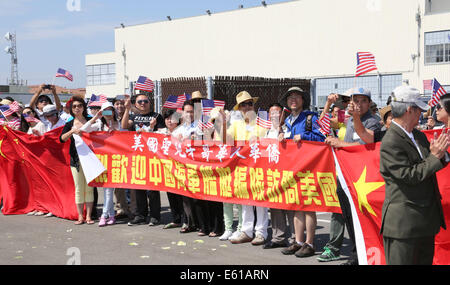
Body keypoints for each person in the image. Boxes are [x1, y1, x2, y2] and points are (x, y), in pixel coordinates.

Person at [380, 86, 450, 265]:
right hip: (404, 225)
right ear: (409, 110)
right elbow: (408, 176)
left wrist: (441, 154)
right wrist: (435, 157)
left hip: (424, 221)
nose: (422, 113)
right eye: (419, 109)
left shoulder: (417, 135)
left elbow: (431, 162)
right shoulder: (390, 141)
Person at [324, 87, 382, 265]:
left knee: (362, 217)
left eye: (362, 100)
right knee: (348, 216)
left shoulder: (372, 122)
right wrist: (328, 104)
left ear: (369, 103)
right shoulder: (347, 120)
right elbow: (324, 124)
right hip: (345, 175)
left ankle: (364, 254)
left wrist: (340, 143)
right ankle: (357, 253)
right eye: (354, 100)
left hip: (362, 179)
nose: (358, 103)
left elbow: (365, 146)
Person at [278, 87, 325, 258]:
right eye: (290, 97)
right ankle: (298, 241)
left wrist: (304, 136)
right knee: (296, 205)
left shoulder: (310, 118)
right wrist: (282, 137)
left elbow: (322, 138)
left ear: (302, 100)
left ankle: (310, 243)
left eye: (297, 97)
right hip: (293, 168)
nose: (293, 100)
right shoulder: (287, 121)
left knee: (309, 207)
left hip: (310, 167)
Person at [224, 91, 269, 244]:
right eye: (243, 104)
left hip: (260, 165)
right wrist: (223, 123)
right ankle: (247, 231)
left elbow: (270, 140)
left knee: (260, 201)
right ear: (239, 108)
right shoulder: (236, 124)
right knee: (245, 199)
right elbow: (227, 140)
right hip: (244, 167)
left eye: (250, 103)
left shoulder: (262, 122)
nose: (247, 106)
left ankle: (261, 232)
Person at [122, 93, 164, 226]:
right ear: (135, 104)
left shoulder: (157, 116)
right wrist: (127, 109)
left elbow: (163, 135)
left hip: (153, 157)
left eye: (145, 101)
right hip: (138, 156)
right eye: (140, 102)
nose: (143, 104)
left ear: (149, 102)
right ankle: (140, 215)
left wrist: (150, 129)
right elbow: (124, 126)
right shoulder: (133, 116)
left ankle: (155, 216)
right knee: (138, 188)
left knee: (152, 189)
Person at [82, 102, 124, 227]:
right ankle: (109, 214)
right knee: (106, 189)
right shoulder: (99, 124)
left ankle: (105, 215)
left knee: (109, 189)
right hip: (102, 160)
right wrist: (96, 117)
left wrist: (115, 132)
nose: (108, 114)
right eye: (105, 111)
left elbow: (123, 139)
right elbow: (84, 130)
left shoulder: (118, 123)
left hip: (115, 160)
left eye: (110, 111)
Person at [263, 103, 296, 249]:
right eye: (272, 113)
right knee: (275, 207)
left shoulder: (288, 128)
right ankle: (278, 237)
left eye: (278, 113)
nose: (275, 116)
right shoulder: (266, 131)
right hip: (272, 173)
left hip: (287, 172)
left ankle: (295, 238)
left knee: (290, 206)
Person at [60, 96, 95, 225]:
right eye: (74, 106)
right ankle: (80, 216)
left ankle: (89, 216)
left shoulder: (90, 120)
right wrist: (72, 131)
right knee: (79, 188)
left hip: (91, 159)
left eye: (79, 106)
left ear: (84, 107)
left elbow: (100, 132)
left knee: (89, 188)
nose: (77, 108)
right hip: (76, 159)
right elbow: (62, 138)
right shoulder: (69, 123)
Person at [156, 109, 184, 230]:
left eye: (172, 118)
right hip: (167, 169)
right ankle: (176, 219)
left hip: (181, 168)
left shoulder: (182, 131)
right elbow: (147, 135)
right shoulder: (162, 131)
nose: (169, 121)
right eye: (167, 118)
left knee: (182, 196)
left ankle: (186, 220)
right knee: (171, 194)